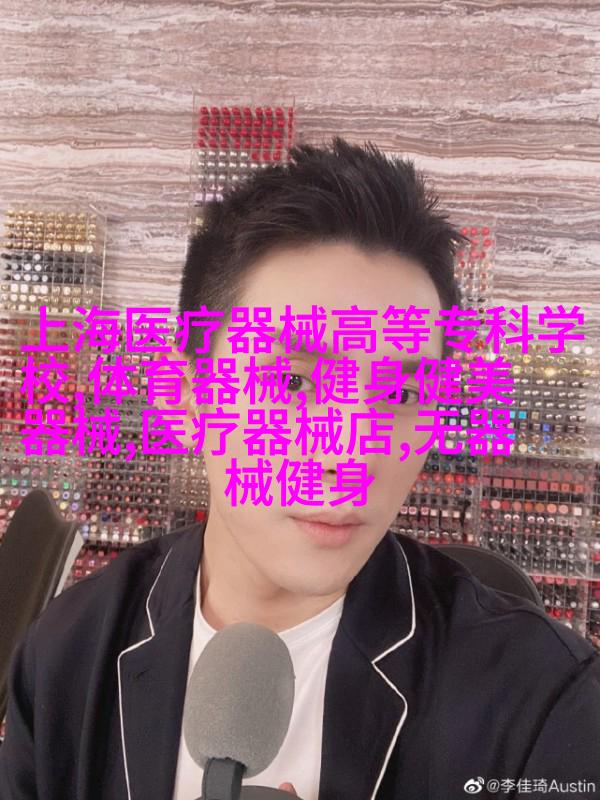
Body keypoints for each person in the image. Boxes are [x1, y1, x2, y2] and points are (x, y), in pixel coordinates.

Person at [1, 137, 599, 800]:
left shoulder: (542, 701)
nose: (350, 453)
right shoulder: (66, 657)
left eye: (401, 392)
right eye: (292, 381)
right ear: (186, 397)